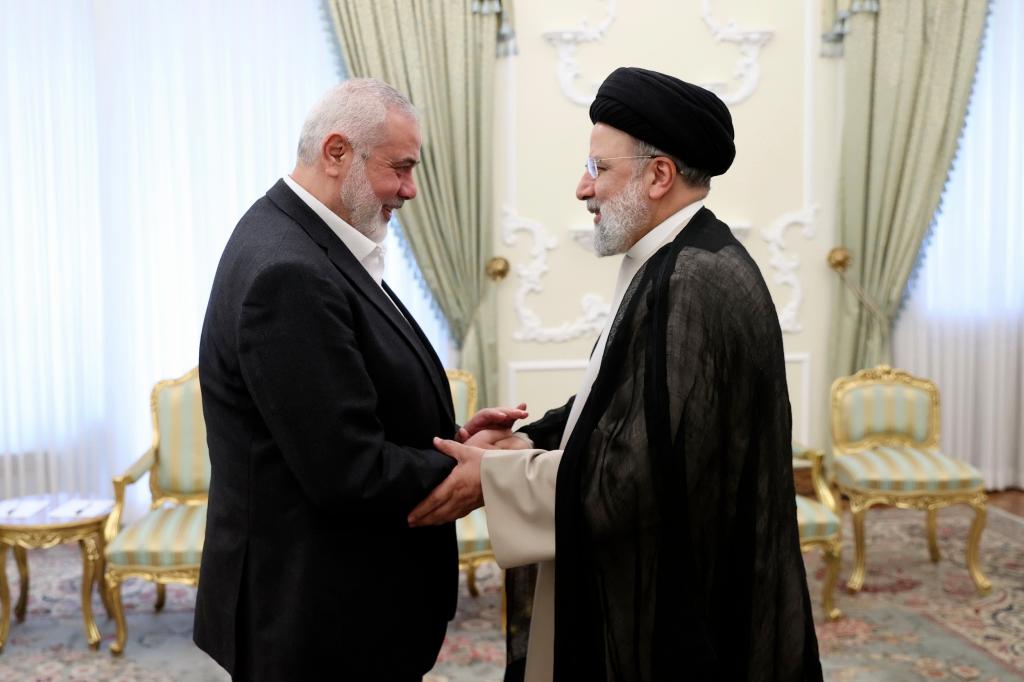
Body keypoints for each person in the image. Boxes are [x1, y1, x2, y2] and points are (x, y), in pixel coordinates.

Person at [409, 67, 823, 681]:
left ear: (658, 175)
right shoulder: (677, 260)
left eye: (599, 168)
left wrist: (497, 478)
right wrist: (530, 439)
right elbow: (629, 397)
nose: (583, 188)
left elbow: (638, 473)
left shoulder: (694, 278)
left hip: (679, 615)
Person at [195, 79, 525, 681]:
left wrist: (446, 435)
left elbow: (341, 401)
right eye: (400, 168)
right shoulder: (289, 271)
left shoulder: (311, 239)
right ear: (337, 152)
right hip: (318, 619)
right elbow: (344, 470)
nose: (411, 188)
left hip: (337, 605)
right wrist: (466, 465)